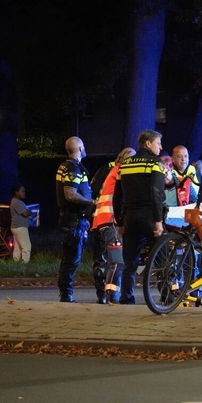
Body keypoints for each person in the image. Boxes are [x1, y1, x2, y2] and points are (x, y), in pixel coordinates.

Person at [113, 130, 167, 305]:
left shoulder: (125, 164)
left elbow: (117, 196)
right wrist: (158, 222)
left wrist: (120, 222)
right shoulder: (155, 163)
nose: (161, 147)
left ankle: (126, 297)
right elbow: (156, 193)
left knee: (130, 262)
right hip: (149, 216)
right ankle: (166, 297)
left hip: (130, 217)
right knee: (162, 258)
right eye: (158, 143)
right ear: (148, 143)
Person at [90, 147, 136, 303]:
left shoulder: (114, 170)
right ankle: (112, 295)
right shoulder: (121, 172)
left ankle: (110, 294)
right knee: (117, 260)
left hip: (105, 220)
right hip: (110, 220)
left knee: (112, 260)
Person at [55, 136, 95, 302]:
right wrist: (92, 201)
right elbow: (70, 194)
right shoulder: (72, 168)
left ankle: (66, 291)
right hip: (74, 220)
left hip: (72, 219)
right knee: (72, 258)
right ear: (79, 149)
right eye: (83, 146)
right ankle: (66, 293)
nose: (84, 149)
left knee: (69, 258)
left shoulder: (66, 166)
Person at [9, 183, 33, 263]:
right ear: (16, 192)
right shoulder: (17, 202)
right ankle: (25, 263)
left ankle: (16, 261)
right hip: (20, 227)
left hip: (15, 227)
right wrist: (30, 212)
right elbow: (25, 213)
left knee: (17, 246)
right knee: (26, 246)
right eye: (22, 191)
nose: (24, 193)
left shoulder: (14, 201)